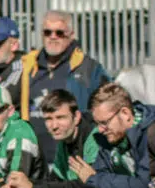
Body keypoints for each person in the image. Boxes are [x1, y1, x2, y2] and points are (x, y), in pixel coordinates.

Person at [18, 11, 110, 164]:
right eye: (47, 32)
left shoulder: (88, 68)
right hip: (35, 159)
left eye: (59, 33)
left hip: (74, 158)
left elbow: (108, 107)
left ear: (71, 35)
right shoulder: (27, 66)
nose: (53, 37)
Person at [4, 89, 97, 188]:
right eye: (48, 119)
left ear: (76, 117)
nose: (54, 126)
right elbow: (54, 182)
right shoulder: (64, 140)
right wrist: (23, 185)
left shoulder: (95, 137)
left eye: (60, 117)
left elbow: (89, 185)